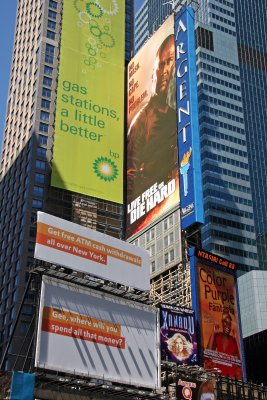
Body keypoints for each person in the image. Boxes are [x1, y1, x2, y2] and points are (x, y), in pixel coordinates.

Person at [127, 34, 178, 202]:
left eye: (170, 61)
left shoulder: (178, 113)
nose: (164, 71)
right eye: (161, 64)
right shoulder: (143, 118)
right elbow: (130, 173)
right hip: (151, 202)